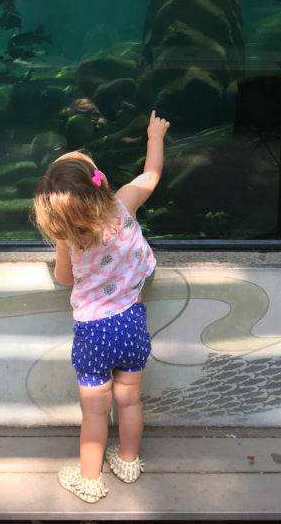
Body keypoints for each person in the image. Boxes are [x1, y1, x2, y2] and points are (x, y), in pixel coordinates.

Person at [33, 110, 170, 503]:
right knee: (129, 400)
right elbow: (152, 174)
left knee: (95, 414)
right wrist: (154, 136)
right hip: (132, 324)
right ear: (99, 182)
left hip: (94, 334)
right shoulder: (125, 204)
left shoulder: (69, 240)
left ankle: (90, 480)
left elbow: (64, 279)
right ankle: (128, 461)